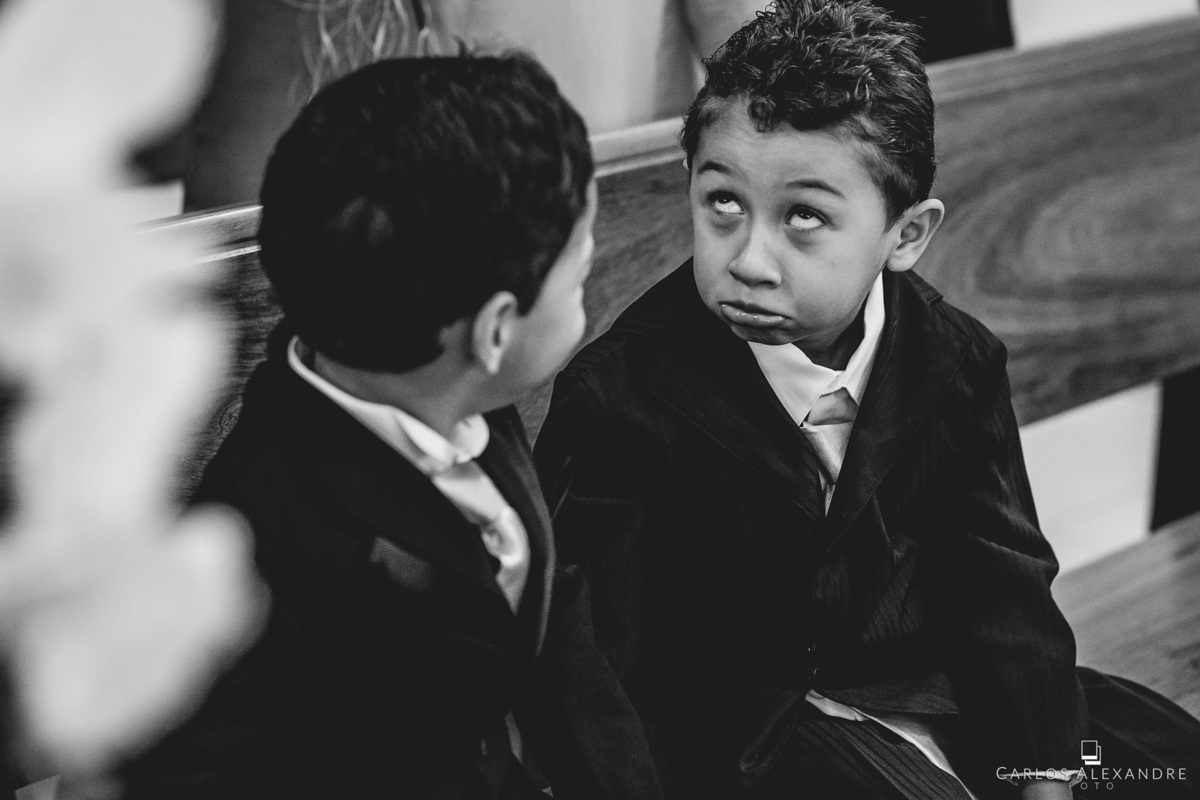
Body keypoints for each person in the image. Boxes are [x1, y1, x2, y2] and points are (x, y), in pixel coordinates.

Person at [533, 2, 1200, 798]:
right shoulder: (622, 401)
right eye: (722, 202)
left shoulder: (951, 360)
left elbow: (1003, 586)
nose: (750, 259)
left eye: (804, 217)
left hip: (930, 686)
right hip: (748, 737)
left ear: (906, 235)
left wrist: (1048, 772)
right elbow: (597, 674)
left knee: (1160, 765)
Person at [119, 54, 663, 800]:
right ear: (495, 331)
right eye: (579, 273)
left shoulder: (450, 391)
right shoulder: (265, 552)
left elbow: (539, 606)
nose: (589, 276)